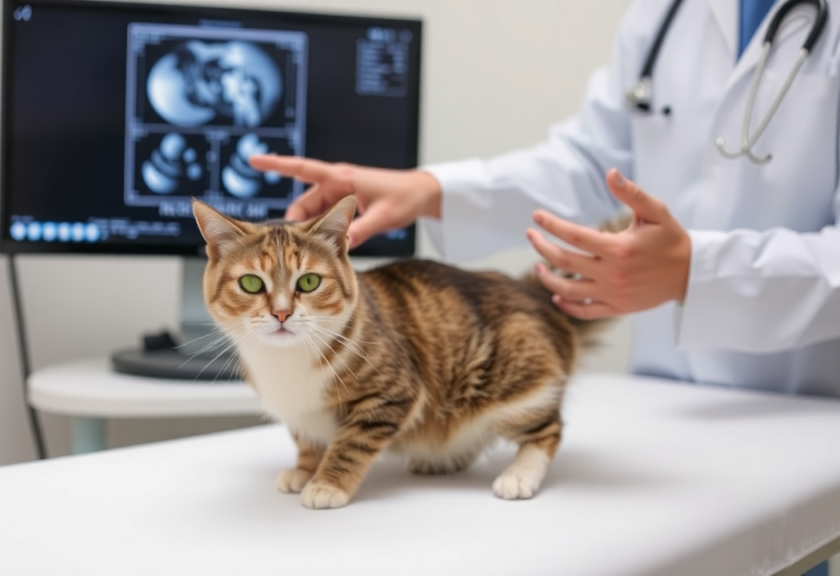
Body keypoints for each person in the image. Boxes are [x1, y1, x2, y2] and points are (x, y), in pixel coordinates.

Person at [250, 1, 839, 572]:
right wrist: (434, 190)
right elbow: (591, 163)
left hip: (800, 407)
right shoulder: (664, 12)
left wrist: (700, 272)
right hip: (661, 405)